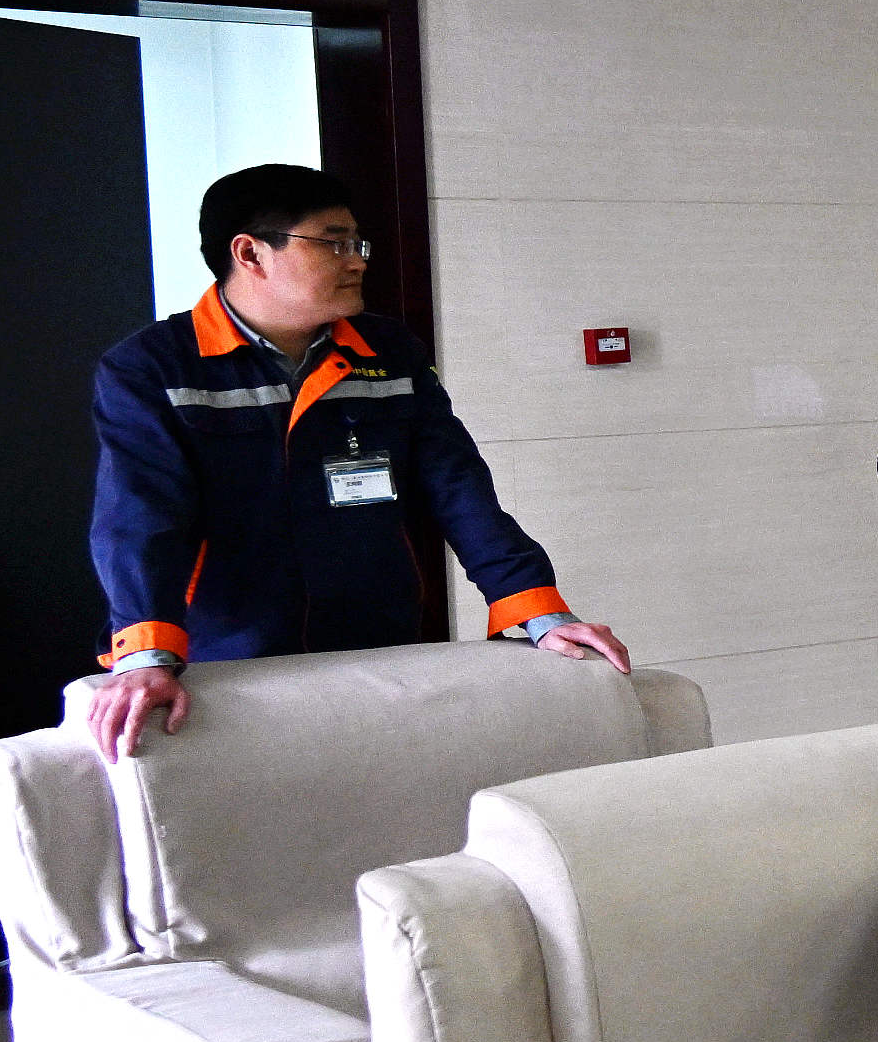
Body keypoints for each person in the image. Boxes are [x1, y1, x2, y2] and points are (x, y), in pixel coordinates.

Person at [83, 163, 630, 763]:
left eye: (357, 244)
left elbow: (457, 486)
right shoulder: (153, 368)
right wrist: (146, 656)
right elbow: (140, 516)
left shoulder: (390, 353)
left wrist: (536, 609)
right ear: (251, 253)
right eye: (334, 243)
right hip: (230, 656)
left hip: (380, 643)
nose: (358, 261)